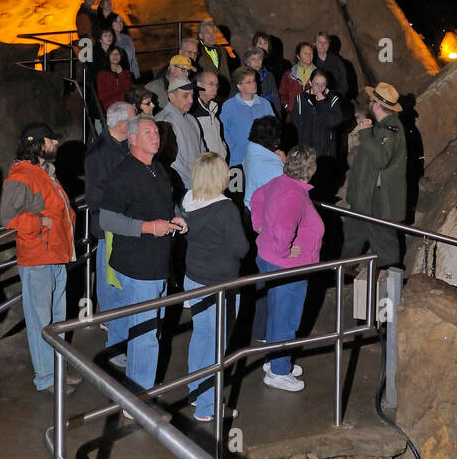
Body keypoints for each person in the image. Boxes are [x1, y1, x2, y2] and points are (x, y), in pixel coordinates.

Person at [101, 116, 187, 390]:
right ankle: (138, 396)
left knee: (145, 327)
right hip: (138, 266)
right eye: (148, 132)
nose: (155, 136)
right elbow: (108, 220)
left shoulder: (158, 169)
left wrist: (177, 216)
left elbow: (165, 203)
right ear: (133, 139)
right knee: (146, 333)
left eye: (157, 132)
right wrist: (150, 227)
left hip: (157, 261)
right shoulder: (124, 174)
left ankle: (136, 384)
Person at [0, 123, 79, 396]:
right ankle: (46, 378)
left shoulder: (45, 173)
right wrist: (40, 221)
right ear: (37, 143)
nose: (55, 143)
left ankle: (57, 370)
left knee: (57, 319)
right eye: (51, 140)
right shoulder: (22, 175)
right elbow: (8, 217)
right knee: (42, 322)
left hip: (56, 254)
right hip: (38, 257)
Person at [181, 153, 249, 422]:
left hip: (195, 277)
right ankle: (207, 406)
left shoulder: (188, 201)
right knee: (215, 345)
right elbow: (241, 248)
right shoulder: (226, 209)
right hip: (220, 283)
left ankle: (195, 389)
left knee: (201, 336)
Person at [251, 146, 324, 392]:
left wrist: (260, 226)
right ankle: (279, 372)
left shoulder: (280, 182)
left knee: (276, 313)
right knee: (286, 317)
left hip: (269, 258)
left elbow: (257, 198)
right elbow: (284, 230)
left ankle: (274, 361)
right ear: (311, 170)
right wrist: (283, 248)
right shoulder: (294, 195)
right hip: (286, 265)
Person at [84, 100, 137, 365]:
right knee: (113, 291)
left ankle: (122, 340)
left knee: (121, 289)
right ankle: (115, 348)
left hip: (123, 226)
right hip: (110, 229)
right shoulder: (100, 154)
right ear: (122, 124)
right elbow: (96, 197)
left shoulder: (124, 147)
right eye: (134, 119)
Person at [339, 83, 408, 269]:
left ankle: (391, 285)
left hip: (378, 200)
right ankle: (340, 276)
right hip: (365, 197)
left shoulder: (391, 130)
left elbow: (381, 159)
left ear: (377, 105)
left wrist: (366, 135)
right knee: (352, 238)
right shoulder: (383, 126)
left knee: (385, 244)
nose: (368, 104)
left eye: (370, 101)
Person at [156, 77, 205, 194]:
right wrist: (194, 182)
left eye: (192, 95)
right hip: (182, 188)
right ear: (171, 97)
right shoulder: (163, 120)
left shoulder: (191, 119)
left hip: (199, 184)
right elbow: (171, 161)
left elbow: (202, 150)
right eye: (185, 96)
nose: (191, 100)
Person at [220, 67, 274, 167]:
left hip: (262, 159)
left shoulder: (265, 104)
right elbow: (223, 131)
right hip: (238, 160)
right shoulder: (228, 106)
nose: (254, 84)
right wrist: (233, 148)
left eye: (254, 80)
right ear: (239, 86)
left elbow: (273, 129)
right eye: (248, 82)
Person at [293, 70, 343, 159]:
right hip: (306, 150)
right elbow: (297, 122)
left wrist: (323, 103)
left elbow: (333, 123)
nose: (319, 88)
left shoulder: (333, 99)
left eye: (323, 85)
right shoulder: (301, 99)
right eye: (316, 84)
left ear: (326, 84)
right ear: (310, 83)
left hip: (326, 150)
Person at [243, 115, 285, 208]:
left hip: (250, 209)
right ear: (275, 141)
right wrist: (286, 164)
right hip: (266, 216)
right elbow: (293, 192)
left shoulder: (251, 154)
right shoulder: (275, 168)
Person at [192, 68, 229, 161]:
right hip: (206, 165)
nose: (215, 88)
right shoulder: (192, 111)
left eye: (216, 85)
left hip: (220, 162)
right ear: (199, 85)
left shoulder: (214, 108)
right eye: (211, 84)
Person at [279, 42, 315, 120]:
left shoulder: (318, 75)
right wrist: (289, 107)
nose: (309, 56)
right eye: (305, 53)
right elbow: (282, 94)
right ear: (298, 56)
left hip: (312, 117)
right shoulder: (288, 75)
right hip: (292, 117)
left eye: (311, 53)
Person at [242, 47, 281, 115]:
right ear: (248, 63)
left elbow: (275, 97)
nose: (257, 62)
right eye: (253, 59)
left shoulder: (269, 76)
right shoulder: (241, 77)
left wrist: (278, 114)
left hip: (268, 112)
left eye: (259, 59)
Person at [313, 31, 348, 100]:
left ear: (329, 44)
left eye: (325, 42)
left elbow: (344, 82)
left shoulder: (337, 61)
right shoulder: (310, 61)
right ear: (315, 44)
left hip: (334, 99)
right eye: (320, 42)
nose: (322, 45)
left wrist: (335, 97)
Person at [111, 14, 140, 80]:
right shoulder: (110, 41)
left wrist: (136, 74)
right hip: (118, 75)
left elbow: (133, 58)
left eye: (121, 21)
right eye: (116, 21)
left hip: (131, 73)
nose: (119, 24)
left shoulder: (127, 38)